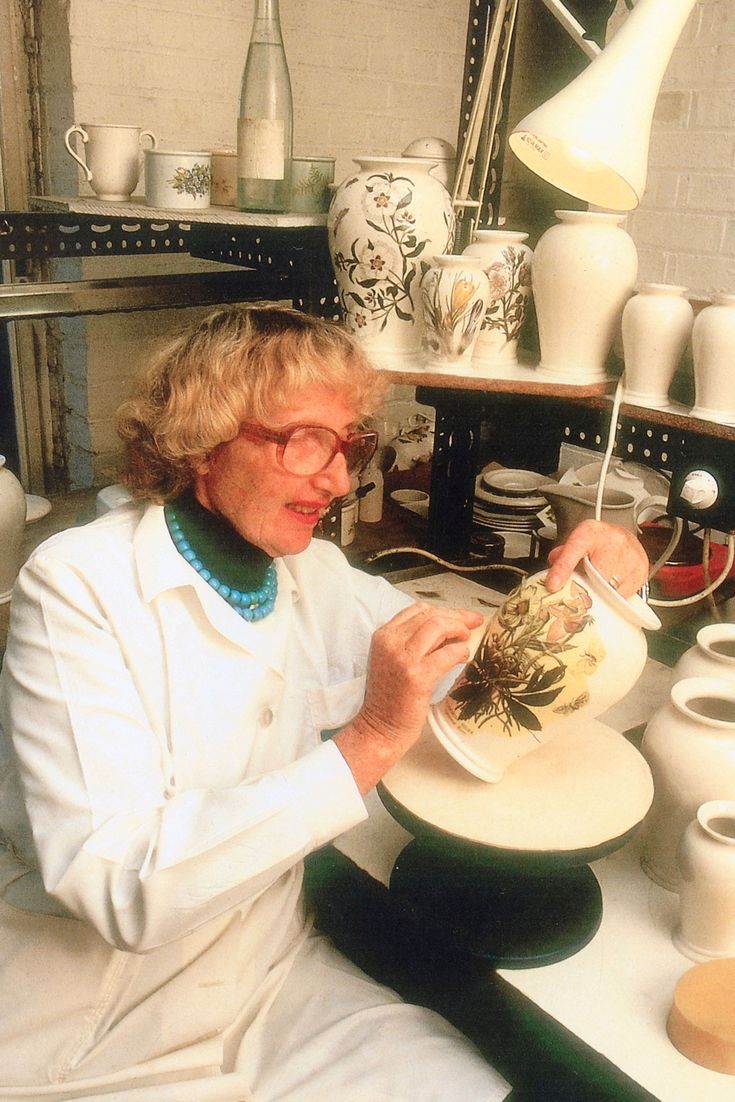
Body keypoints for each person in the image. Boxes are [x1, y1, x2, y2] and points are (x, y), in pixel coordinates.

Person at [0, 305, 649, 1101]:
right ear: (203, 437)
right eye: (304, 439)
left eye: (349, 445)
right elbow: (115, 887)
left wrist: (599, 585)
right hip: (93, 1023)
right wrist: (367, 740)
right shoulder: (77, 586)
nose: (340, 479)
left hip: (270, 982)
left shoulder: (316, 575)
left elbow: (480, 685)